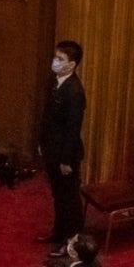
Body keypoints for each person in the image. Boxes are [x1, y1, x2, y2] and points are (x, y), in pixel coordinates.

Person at [41, 40, 88, 241]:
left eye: (60, 59)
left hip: (64, 156)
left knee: (69, 200)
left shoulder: (74, 92)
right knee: (58, 198)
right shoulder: (56, 82)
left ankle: (72, 242)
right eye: (55, 57)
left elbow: (72, 129)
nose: (55, 62)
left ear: (72, 64)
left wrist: (66, 161)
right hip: (52, 151)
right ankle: (58, 234)